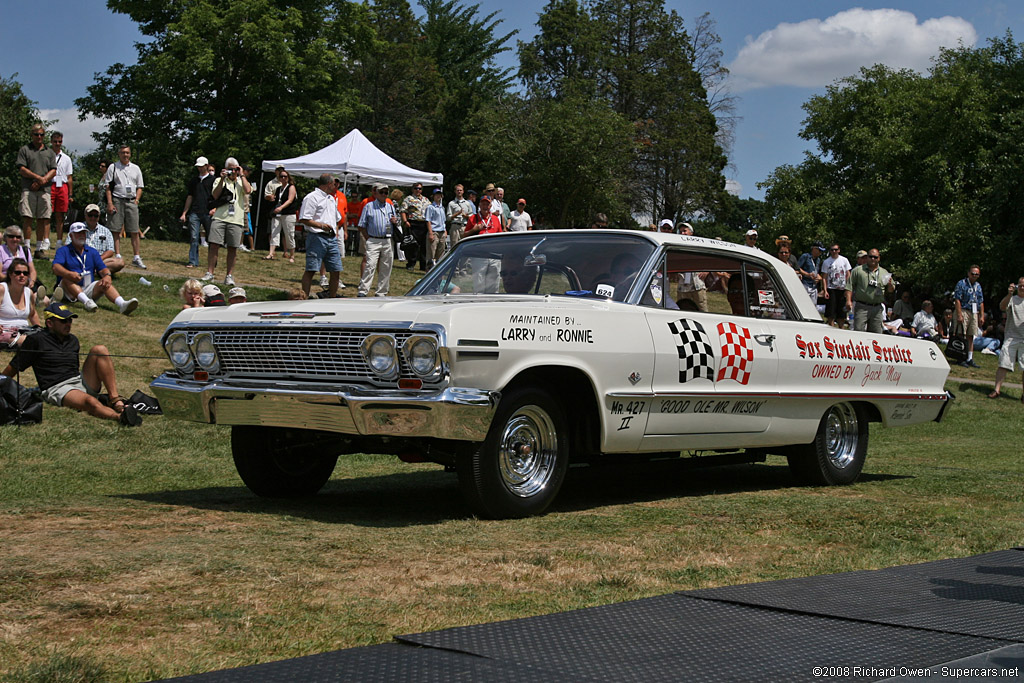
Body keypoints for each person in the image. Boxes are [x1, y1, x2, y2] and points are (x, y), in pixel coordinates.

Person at [1, 302, 142, 426]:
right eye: (63, 321)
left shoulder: (73, 340)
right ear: (49, 323)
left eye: (69, 320)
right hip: (57, 388)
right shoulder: (36, 341)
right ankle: (120, 417)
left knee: (100, 350)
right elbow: (14, 367)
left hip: (79, 381)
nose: (68, 324)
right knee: (90, 402)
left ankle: (115, 400)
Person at [52, 222, 139, 315]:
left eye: (83, 233)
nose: (81, 235)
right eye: (78, 233)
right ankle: (87, 302)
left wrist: (107, 275)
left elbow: (103, 268)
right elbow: (55, 267)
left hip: (87, 286)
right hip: (68, 289)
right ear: (71, 236)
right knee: (66, 279)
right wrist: (69, 274)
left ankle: (122, 304)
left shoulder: (92, 251)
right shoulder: (63, 250)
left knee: (104, 282)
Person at [202, 157, 251, 287]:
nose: (233, 172)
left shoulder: (241, 181)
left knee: (232, 248)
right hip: (220, 217)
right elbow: (215, 195)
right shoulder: (219, 180)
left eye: (235, 169)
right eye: (230, 169)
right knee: (213, 245)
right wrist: (223, 178)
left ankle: (229, 275)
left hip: (236, 219)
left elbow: (248, 191)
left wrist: (242, 175)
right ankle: (210, 273)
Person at [297, 173, 344, 299]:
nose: (336, 186)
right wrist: (321, 225)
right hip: (317, 237)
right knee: (311, 269)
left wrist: (335, 231)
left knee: (335, 270)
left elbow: (336, 219)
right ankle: (304, 297)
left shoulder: (331, 199)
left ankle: (332, 298)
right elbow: (304, 218)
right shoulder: (312, 198)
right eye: (335, 184)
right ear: (329, 184)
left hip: (331, 238)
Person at [16, 123, 56, 258]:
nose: (39, 137)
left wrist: (42, 180)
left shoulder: (49, 152)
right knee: (28, 217)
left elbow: (53, 170)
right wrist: (38, 178)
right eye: (36, 134)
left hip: (44, 190)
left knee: (42, 218)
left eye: (42, 135)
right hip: (28, 188)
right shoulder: (25, 150)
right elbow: (22, 169)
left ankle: (39, 249)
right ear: (31, 135)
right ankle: (26, 248)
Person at [104, 144, 147, 269]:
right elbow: (107, 187)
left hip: (131, 200)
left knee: (134, 230)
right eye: (123, 152)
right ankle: (117, 254)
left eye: (127, 152)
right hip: (117, 199)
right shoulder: (113, 167)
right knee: (116, 229)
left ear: (130, 154)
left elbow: (140, 186)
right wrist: (110, 203)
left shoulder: (136, 168)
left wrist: (137, 200)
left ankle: (136, 257)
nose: (125, 155)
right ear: (119, 154)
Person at [357, 182, 399, 298]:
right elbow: (361, 225)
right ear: (376, 193)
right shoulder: (368, 206)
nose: (384, 194)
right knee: (370, 265)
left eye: (386, 192)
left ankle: (382, 292)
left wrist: (395, 221)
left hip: (387, 240)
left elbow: (396, 221)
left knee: (386, 266)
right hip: (373, 239)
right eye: (381, 192)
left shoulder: (390, 206)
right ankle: (363, 290)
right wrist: (368, 238)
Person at [988, 277, 1024, 400]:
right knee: (1003, 363)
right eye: (1020, 285)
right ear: (1017, 286)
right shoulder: (1012, 300)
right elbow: (1002, 307)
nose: (1022, 287)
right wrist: (1009, 294)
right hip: (1011, 337)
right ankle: (996, 390)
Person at [845, 248, 894, 333]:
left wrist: (890, 285)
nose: (873, 259)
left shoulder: (884, 272)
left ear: (879, 258)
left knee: (876, 334)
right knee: (858, 332)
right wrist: (848, 300)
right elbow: (849, 286)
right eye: (870, 256)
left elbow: (891, 290)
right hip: (862, 306)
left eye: (875, 257)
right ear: (867, 257)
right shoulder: (858, 270)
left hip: (877, 308)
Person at [180, 156, 215, 269]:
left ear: (206, 166)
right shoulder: (194, 181)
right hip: (195, 211)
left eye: (201, 166)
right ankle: (193, 261)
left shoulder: (213, 180)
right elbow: (190, 197)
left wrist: (215, 209)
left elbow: (217, 197)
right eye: (198, 167)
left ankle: (212, 262)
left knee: (211, 239)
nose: (199, 169)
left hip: (208, 212)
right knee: (194, 237)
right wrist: (184, 213)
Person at [0, 258, 41, 348]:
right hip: (5, 331)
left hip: (24, 330)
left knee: (44, 339)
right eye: (18, 273)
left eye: (25, 273)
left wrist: (39, 329)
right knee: (30, 342)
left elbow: (32, 314)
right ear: (10, 274)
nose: (22, 275)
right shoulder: (2, 289)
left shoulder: (28, 292)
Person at [74, 205, 124, 274]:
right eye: (90, 215)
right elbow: (68, 245)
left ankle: (91, 271)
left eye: (96, 216)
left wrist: (99, 259)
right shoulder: (77, 228)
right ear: (85, 215)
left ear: (99, 216)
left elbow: (110, 250)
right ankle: (97, 271)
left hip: (100, 259)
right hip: (81, 258)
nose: (93, 218)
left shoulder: (106, 231)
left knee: (119, 262)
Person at [1, 226, 46, 301]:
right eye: (11, 236)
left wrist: (32, 281)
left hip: (25, 281)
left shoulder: (25, 250)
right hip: (8, 282)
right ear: (5, 238)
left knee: (45, 301)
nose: (15, 239)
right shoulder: (1, 250)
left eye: (18, 237)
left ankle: (47, 300)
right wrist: (14, 280)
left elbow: (32, 270)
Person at [953, 265, 985, 369]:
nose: (974, 276)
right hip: (964, 310)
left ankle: (969, 358)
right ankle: (960, 357)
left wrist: (981, 315)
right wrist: (959, 314)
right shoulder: (962, 283)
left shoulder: (978, 286)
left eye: (977, 274)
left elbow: (981, 301)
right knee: (961, 333)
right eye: (973, 273)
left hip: (974, 312)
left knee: (971, 335)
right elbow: (957, 299)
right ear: (968, 273)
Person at [49, 131, 74, 247]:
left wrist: (70, 194)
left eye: (59, 141)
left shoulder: (66, 158)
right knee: (46, 214)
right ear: (51, 142)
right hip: (50, 184)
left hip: (62, 186)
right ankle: (45, 240)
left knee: (60, 215)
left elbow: (69, 177)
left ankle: (59, 240)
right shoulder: (47, 155)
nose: (57, 144)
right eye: (55, 141)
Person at [266, 170, 297, 262]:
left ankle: (292, 255)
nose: (283, 178)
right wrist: (271, 198)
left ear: (288, 178)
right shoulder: (278, 188)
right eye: (281, 176)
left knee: (289, 234)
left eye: (285, 176)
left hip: (288, 214)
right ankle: (271, 253)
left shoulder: (291, 187)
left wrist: (281, 208)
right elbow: (276, 200)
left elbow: (290, 200)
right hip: (278, 213)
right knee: (274, 231)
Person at [400, 183, 430, 271]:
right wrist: (405, 221)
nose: (418, 190)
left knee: (424, 245)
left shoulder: (426, 200)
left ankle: (423, 265)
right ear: (413, 189)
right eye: (416, 188)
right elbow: (403, 211)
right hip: (413, 223)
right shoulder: (409, 199)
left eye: (420, 189)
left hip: (424, 224)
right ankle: (411, 264)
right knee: (413, 245)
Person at [821, 243, 852, 327]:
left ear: (839, 250)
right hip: (831, 288)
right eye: (832, 250)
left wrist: (847, 288)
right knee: (831, 312)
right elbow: (824, 277)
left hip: (842, 288)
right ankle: (831, 328)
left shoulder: (844, 260)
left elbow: (848, 274)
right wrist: (825, 290)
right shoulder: (826, 262)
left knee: (841, 313)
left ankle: (841, 328)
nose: (834, 251)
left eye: (835, 249)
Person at [425, 188, 447, 270]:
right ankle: (428, 271)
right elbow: (428, 220)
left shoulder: (442, 208)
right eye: (436, 194)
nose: (438, 196)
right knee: (431, 253)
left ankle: (438, 272)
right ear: (433, 196)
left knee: (441, 254)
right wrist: (430, 233)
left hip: (442, 232)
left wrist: (445, 231)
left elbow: (443, 221)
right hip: (434, 231)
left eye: (439, 194)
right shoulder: (431, 207)